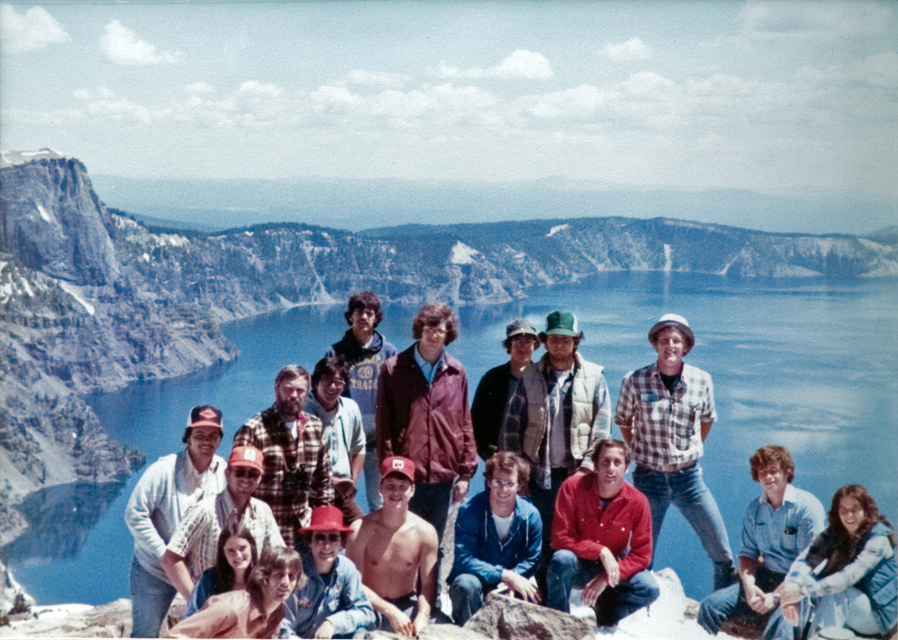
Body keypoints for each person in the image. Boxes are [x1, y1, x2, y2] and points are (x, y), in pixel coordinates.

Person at [614, 313, 735, 590]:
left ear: (686, 347)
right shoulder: (635, 380)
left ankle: (724, 614)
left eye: (677, 340)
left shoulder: (702, 380)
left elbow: (707, 420)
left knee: (722, 553)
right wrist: (638, 451)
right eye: (664, 339)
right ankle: (637, 615)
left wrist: (692, 449)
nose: (670, 345)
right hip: (649, 481)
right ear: (655, 344)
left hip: (689, 480)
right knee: (642, 557)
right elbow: (623, 421)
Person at [499, 310, 611, 577]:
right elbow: (511, 428)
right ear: (545, 342)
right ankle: (538, 599)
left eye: (566, 338)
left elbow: (601, 430)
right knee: (539, 540)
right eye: (554, 339)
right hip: (539, 477)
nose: (560, 344)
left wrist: (586, 467)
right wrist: (519, 474)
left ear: (576, 341)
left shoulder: (594, 377)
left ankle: (570, 599)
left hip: (578, 477)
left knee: (576, 539)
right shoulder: (529, 377)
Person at [376, 302, 477, 543]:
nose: (433, 335)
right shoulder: (394, 368)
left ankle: (433, 583)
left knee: (435, 543)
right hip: (407, 474)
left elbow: (465, 423)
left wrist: (465, 475)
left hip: (443, 474)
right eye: (428, 329)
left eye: (440, 330)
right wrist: (391, 471)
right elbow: (384, 426)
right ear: (419, 329)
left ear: (448, 333)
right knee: (403, 542)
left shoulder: (456, 372)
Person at [698, 445, 826, 636]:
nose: (768, 477)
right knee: (709, 606)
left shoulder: (807, 507)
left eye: (774, 471)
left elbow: (809, 564)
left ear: (786, 472)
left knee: (782, 628)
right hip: (765, 577)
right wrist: (749, 587)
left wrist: (775, 597)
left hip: (799, 584)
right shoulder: (754, 510)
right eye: (762, 472)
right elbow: (747, 555)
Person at [125, 405, 227, 638]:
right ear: (187, 437)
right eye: (199, 435)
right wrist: (164, 554)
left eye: (213, 436)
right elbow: (134, 513)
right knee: (146, 633)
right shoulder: (164, 470)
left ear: (220, 439)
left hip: (197, 573)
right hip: (154, 570)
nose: (206, 441)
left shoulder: (222, 471)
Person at [546, 439, 660, 627]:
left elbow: (642, 555)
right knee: (561, 559)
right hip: (577, 566)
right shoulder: (572, 487)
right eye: (605, 461)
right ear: (596, 464)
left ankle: (605, 617)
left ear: (627, 467)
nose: (611, 468)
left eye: (617, 462)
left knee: (649, 588)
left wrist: (605, 579)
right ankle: (558, 624)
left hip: (611, 570)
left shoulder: (638, 502)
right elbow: (560, 538)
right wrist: (600, 551)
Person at [764, 484, 896, 640]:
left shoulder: (878, 539)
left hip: (878, 616)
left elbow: (849, 577)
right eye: (844, 511)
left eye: (855, 510)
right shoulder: (834, 532)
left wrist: (801, 592)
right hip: (852, 605)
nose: (849, 516)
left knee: (832, 592)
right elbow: (805, 561)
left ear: (866, 511)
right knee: (803, 584)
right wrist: (792, 590)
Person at [162, 446, 285, 600]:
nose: (246, 479)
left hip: (247, 602)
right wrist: (196, 602)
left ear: (260, 478)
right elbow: (171, 558)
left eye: (253, 474)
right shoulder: (205, 511)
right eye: (240, 472)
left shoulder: (263, 511)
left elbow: (280, 556)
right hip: (210, 601)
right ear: (227, 474)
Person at [233, 365, 334, 548]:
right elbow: (237, 487)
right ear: (276, 388)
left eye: (300, 390)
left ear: (307, 393)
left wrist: (321, 526)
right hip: (265, 533)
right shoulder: (253, 430)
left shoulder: (315, 427)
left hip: (304, 531)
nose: (294, 395)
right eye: (288, 389)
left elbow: (324, 482)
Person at [345, 457, 445, 636]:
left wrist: (422, 617)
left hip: (407, 606)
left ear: (412, 490)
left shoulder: (426, 532)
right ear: (380, 488)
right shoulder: (360, 529)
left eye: (402, 486)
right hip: (369, 607)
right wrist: (389, 611)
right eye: (390, 485)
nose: (396, 492)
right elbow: (354, 585)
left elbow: (428, 587)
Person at [447, 451, 542, 626]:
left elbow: (532, 559)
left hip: (512, 585)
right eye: (498, 481)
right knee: (465, 584)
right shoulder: (469, 511)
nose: (503, 489)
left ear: (519, 485)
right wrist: (505, 575)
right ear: (489, 482)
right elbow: (464, 559)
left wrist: (512, 580)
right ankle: (467, 633)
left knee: (530, 593)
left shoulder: (530, 516)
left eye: (510, 483)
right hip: (477, 582)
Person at [326, 291, 397, 511]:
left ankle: (378, 545)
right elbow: (324, 394)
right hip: (346, 440)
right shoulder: (335, 352)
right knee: (342, 497)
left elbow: (396, 397)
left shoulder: (389, 351)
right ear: (350, 316)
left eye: (369, 312)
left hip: (378, 439)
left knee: (378, 500)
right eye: (359, 312)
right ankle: (339, 545)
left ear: (377, 317)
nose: (364, 317)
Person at [163, 546, 302, 639]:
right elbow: (175, 636)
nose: (286, 583)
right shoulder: (230, 608)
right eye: (279, 575)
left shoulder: (278, 612)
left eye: (292, 577)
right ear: (264, 577)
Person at [282, 506, 375, 639]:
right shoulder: (294, 572)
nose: (326, 546)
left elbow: (365, 611)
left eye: (333, 538)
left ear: (341, 543)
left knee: (361, 633)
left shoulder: (347, 569)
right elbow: (283, 627)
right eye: (320, 538)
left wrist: (333, 623)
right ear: (309, 541)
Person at [304, 356, 365, 531]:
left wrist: (351, 482)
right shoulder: (304, 413)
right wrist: (335, 482)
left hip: (342, 492)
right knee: (322, 538)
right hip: (312, 494)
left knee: (362, 532)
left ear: (345, 385)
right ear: (315, 382)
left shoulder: (350, 408)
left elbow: (359, 446)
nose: (332, 387)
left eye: (338, 382)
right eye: (327, 380)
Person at [471, 319, 541, 461]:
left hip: (535, 465)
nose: (523, 346)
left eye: (528, 341)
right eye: (517, 341)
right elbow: (475, 422)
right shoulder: (492, 378)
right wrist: (490, 453)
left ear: (535, 345)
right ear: (509, 345)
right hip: (501, 463)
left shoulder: (544, 379)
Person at [182, 522, 258, 619]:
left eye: (242, 548)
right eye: (231, 551)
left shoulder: (264, 579)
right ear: (223, 554)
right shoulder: (209, 580)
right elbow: (190, 618)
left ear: (252, 547)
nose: (238, 555)